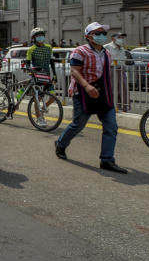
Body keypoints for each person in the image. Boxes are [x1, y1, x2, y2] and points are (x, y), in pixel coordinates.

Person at [54, 22, 127, 173]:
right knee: (78, 124)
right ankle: (61, 143)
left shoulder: (106, 52)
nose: (101, 36)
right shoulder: (80, 51)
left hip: (102, 93)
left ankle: (107, 160)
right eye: (97, 33)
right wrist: (87, 86)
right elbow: (74, 71)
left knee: (111, 127)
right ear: (88, 36)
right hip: (83, 92)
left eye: (103, 33)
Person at [104, 32, 130, 112]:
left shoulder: (122, 49)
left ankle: (123, 107)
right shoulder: (107, 47)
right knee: (111, 89)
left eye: (122, 37)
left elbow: (124, 60)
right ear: (113, 38)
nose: (121, 39)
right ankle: (110, 107)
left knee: (123, 89)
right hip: (111, 70)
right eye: (119, 37)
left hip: (121, 69)